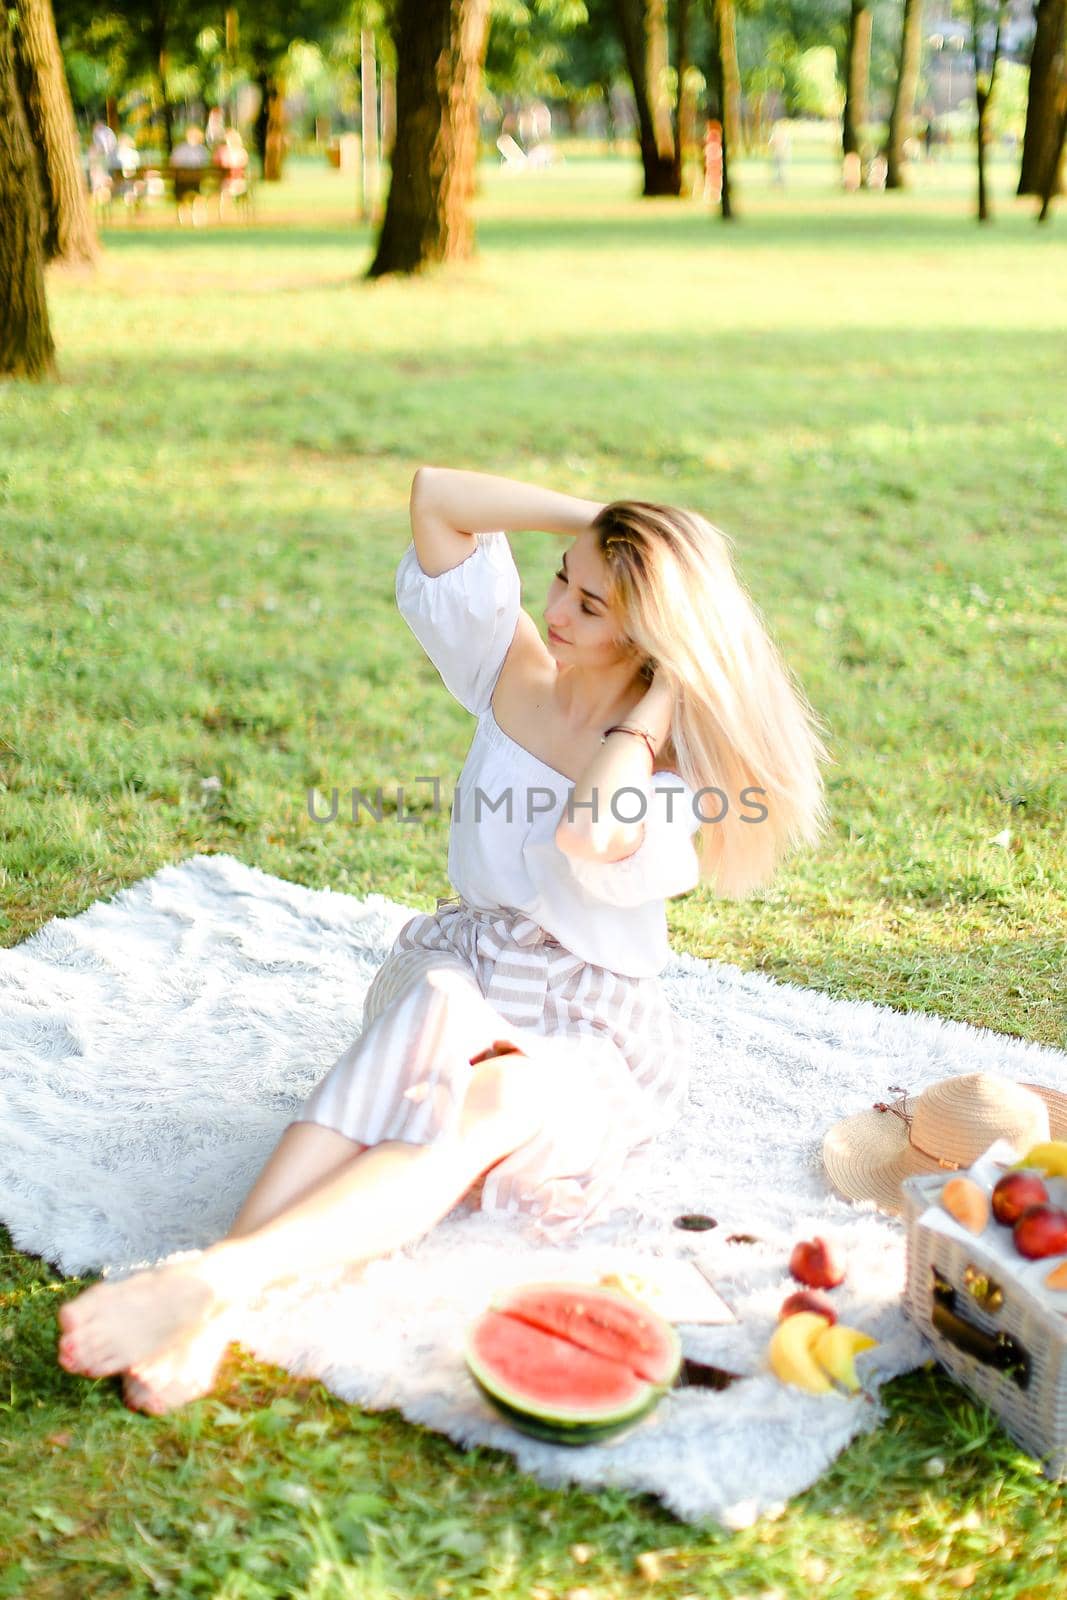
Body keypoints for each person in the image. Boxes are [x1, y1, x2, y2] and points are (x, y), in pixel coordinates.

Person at [56, 468, 831, 1416]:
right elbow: (437, 499)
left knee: (498, 1097)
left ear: (650, 636)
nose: (556, 609)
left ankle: (213, 1286)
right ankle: (214, 1299)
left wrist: (661, 696)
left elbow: (588, 833)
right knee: (431, 1005)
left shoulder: (658, 769)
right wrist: (608, 526)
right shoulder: (511, 664)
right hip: (467, 957)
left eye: (593, 605)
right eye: (560, 580)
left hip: (590, 1014)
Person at [171, 125, 210, 225]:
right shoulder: (201, 150)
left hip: (188, 180)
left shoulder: (181, 148)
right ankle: (194, 217)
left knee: (190, 195)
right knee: (195, 194)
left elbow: (174, 163)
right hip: (190, 180)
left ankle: (187, 217)